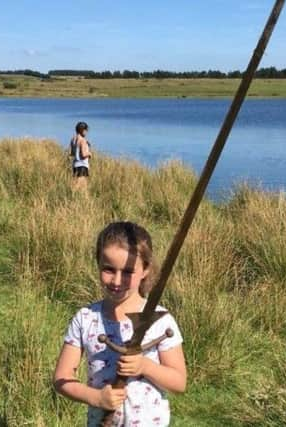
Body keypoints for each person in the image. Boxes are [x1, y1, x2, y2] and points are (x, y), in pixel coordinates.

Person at [54, 222, 186, 426]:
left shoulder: (161, 320)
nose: (117, 281)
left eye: (127, 272)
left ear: (145, 270)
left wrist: (144, 365)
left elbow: (179, 383)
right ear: (98, 262)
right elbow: (61, 378)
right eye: (108, 269)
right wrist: (96, 398)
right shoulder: (86, 318)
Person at [69, 121, 91, 190]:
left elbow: (72, 153)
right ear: (83, 130)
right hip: (82, 166)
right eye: (86, 130)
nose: (87, 132)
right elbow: (84, 154)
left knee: (81, 186)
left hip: (75, 165)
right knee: (80, 187)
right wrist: (89, 153)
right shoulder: (82, 140)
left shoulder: (73, 139)